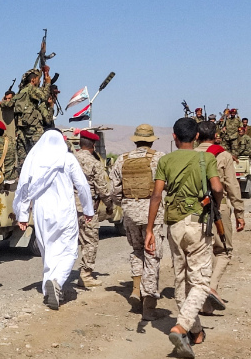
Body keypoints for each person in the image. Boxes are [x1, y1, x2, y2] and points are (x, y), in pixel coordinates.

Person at [145, 118, 223, 359]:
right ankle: (180, 328)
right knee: (200, 282)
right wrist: (215, 205)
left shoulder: (165, 160)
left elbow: (156, 196)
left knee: (181, 279)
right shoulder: (206, 158)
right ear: (197, 137)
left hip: (174, 224)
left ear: (174, 136)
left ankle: (195, 331)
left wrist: (149, 229)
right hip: (197, 223)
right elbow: (218, 188)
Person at [14, 129, 94, 310]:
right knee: (69, 251)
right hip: (64, 210)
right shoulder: (68, 158)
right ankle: (57, 281)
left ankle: (49, 285)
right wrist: (88, 209)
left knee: (48, 250)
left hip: (42, 212)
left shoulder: (34, 160)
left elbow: (25, 187)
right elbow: (82, 185)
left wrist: (23, 214)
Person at [109, 124, 165, 320]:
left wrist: (125, 204)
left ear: (135, 140)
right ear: (151, 140)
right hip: (152, 214)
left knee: (137, 251)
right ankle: (149, 304)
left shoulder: (122, 160)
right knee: (152, 255)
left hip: (130, 213)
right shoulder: (159, 158)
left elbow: (114, 190)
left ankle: (135, 289)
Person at [195, 122, 245, 316]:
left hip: (195, 208)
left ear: (197, 135)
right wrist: (239, 212)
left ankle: (204, 303)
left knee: (202, 252)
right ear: (215, 135)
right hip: (219, 206)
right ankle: (212, 286)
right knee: (223, 251)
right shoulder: (222, 155)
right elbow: (232, 186)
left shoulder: (190, 153)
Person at [73, 130, 111, 288]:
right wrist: (110, 205)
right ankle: (86, 275)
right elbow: (102, 188)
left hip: (68, 208)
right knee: (90, 241)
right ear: (93, 146)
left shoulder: (70, 159)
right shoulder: (94, 163)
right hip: (88, 209)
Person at [0, 68, 49, 165]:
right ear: (33, 80)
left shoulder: (21, 92)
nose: (40, 81)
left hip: (22, 128)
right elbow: (44, 97)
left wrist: (2, 103)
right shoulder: (31, 89)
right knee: (40, 153)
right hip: (34, 128)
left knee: (23, 157)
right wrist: (48, 83)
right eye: (38, 79)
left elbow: (10, 103)